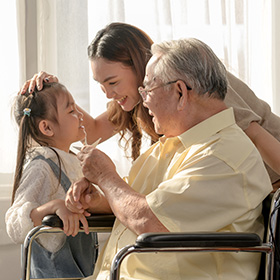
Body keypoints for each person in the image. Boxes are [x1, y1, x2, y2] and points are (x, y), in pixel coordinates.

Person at [66, 38, 272, 279]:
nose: (144, 100)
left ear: (180, 92)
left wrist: (105, 176)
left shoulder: (225, 155)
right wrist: (99, 198)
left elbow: (147, 220)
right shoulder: (171, 145)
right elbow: (137, 200)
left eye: (148, 90)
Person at [20, 22, 280, 190]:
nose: (108, 94)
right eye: (100, 84)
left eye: (112, 82)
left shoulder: (192, 78)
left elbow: (255, 135)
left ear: (138, 67)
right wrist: (53, 93)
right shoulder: (142, 100)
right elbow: (94, 129)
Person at [5, 82, 98, 278]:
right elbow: (14, 223)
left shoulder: (73, 161)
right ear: (46, 127)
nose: (81, 115)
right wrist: (54, 207)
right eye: (72, 110)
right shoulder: (42, 166)